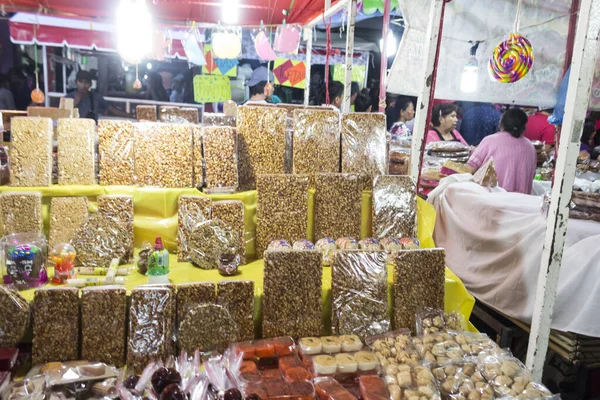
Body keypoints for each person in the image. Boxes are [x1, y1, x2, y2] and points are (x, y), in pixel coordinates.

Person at [467, 108, 536, 194]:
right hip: (520, 204)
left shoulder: (490, 141)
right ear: (524, 127)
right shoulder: (530, 147)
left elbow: (470, 168)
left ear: (501, 123)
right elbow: (531, 176)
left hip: (492, 201)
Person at [65, 70, 130, 119]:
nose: (83, 85)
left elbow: (112, 109)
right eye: (81, 82)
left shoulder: (96, 96)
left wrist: (130, 115)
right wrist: (74, 103)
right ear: (76, 82)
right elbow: (62, 115)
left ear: (90, 84)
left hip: (91, 131)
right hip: (74, 130)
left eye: (86, 82)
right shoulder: (68, 97)